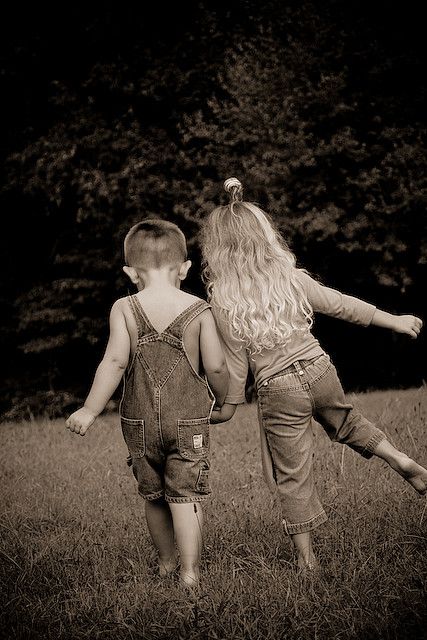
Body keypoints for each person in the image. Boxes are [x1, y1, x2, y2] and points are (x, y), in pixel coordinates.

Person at [200, 177, 427, 571]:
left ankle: (308, 562)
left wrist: (228, 406)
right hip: (320, 368)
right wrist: (394, 320)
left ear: (217, 248)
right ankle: (400, 459)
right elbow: (341, 305)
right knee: (348, 422)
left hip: (277, 387)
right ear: (266, 236)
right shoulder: (292, 277)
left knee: (292, 475)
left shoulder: (223, 298)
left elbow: (236, 364)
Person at [66, 219, 229, 589]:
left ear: (130, 271)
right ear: (185, 268)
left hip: (138, 425)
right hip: (188, 422)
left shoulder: (124, 308)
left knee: (154, 496)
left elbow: (114, 362)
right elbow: (217, 365)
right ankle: (190, 573)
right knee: (185, 496)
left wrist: (90, 409)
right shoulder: (198, 309)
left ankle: (166, 563)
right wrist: (225, 400)